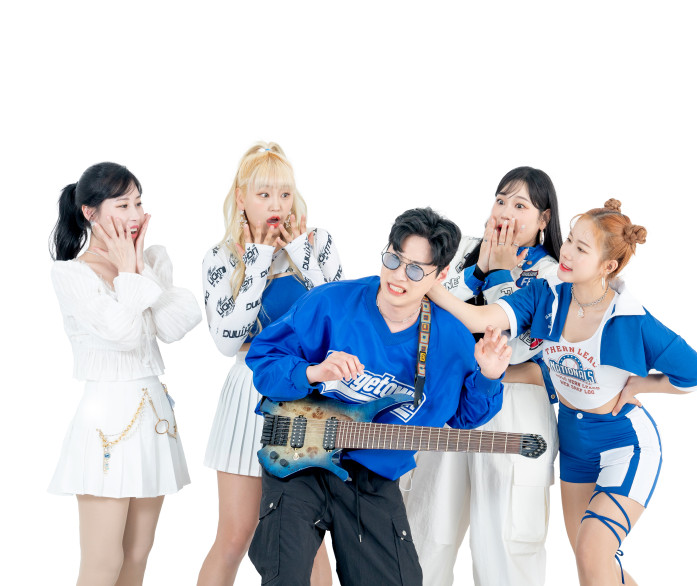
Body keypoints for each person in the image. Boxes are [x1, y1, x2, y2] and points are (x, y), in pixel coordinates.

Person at [428, 199, 697, 585]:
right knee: (594, 567)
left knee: (592, 554)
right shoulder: (546, 294)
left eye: (581, 248)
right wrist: (427, 284)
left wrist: (641, 384)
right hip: (575, 446)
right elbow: (480, 317)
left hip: (624, 443)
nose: (565, 252)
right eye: (569, 241)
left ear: (608, 266)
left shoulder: (629, 318)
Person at [244, 207, 513, 586]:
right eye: (393, 259)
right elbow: (264, 359)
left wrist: (488, 375)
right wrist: (313, 372)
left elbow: (463, 418)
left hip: (373, 477)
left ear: (440, 275)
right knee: (284, 575)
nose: (399, 276)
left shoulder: (451, 339)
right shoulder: (331, 302)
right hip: (300, 460)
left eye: (416, 270)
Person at [404, 166, 562, 586]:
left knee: (506, 541)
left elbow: (516, 349)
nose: (505, 212)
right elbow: (426, 310)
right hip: (453, 400)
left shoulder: (554, 274)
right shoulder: (465, 251)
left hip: (516, 408)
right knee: (428, 528)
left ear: (544, 219)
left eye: (520, 205)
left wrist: (499, 275)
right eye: (501, 200)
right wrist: (479, 270)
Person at [48, 162, 202, 586]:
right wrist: (129, 274)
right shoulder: (72, 273)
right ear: (89, 212)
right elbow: (124, 334)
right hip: (106, 424)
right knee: (103, 562)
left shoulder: (151, 260)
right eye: (122, 205)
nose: (135, 215)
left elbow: (176, 324)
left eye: (138, 203)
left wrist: (139, 267)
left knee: (136, 556)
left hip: (153, 419)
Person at [198, 142, 340, 586]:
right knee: (235, 536)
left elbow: (339, 320)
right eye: (264, 194)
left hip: (308, 392)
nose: (277, 205)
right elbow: (227, 341)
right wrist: (257, 260)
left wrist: (299, 252)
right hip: (249, 393)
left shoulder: (317, 244)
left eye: (284, 193)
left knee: (312, 539)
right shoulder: (221, 257)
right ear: (241, 197)